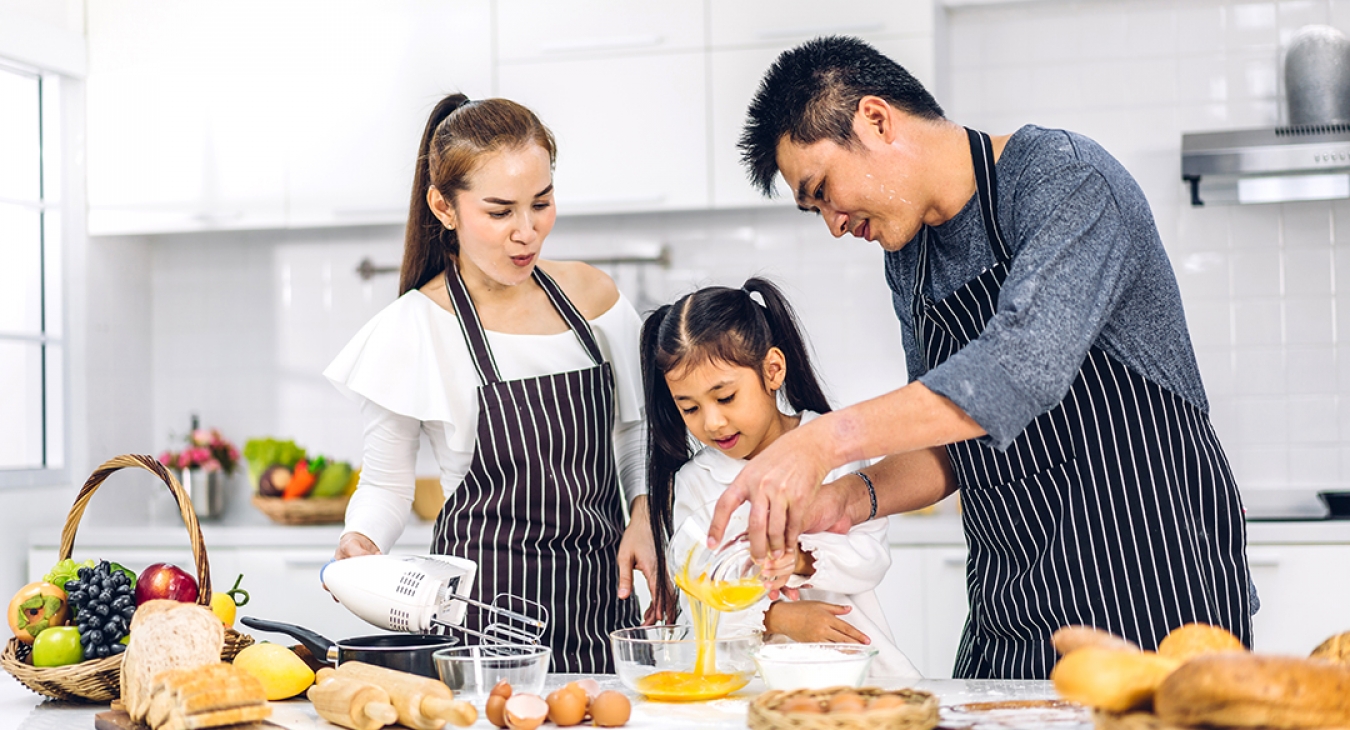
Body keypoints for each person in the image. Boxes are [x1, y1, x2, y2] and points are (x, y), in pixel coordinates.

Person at [706, 36, 1253, 679]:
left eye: (823, 189)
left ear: (876, 120)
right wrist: (850, 498)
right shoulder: (908, 257)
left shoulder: (1063, 177)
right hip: (1012, 605)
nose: (831, 223)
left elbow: (1015, 371)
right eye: (813, 208)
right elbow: (952, 433)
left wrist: (822, 441)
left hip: (1150, 591)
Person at [323, 94, 663, 673]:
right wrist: (362, 540)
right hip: (481, 624)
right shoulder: (411, 328)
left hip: (605, 608)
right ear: (444, 206)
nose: (526, 233)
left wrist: (644, 512)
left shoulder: (595, 298)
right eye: (500, 211)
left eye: (543, 203)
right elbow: (385, 486)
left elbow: (634, 432)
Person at [641, 277, 920, 679]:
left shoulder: (830, 446)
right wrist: (776, 617)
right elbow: (699, 611)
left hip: (851, 672)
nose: (712, 422)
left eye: (725, 397)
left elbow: (871, 559)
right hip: (747, 685)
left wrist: (800, 559)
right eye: (690, 408)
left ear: (772, 370)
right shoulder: (694, 482)